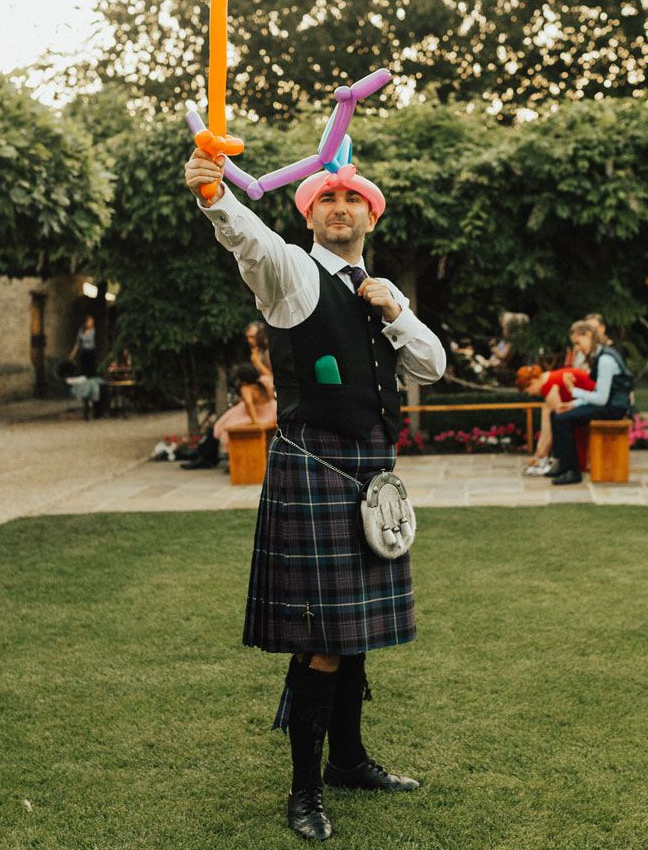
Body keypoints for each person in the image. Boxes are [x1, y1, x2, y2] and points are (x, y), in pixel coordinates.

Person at [184, 149, 446, 842]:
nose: (340, 207)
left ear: (370, 214)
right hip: (315, 465)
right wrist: (214, 195)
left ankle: (350, 761)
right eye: (326, 200)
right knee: (323, 640)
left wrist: (393, 309)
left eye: (352, 199)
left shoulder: (381, 288)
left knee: (354, 636)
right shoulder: (294, 274)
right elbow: (250, 240)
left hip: (371, 470)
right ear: (309, 215)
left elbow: (431, 364)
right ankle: (304, 791)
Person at [548, 320, 632, 486]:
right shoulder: (601, 356)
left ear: (588, 335)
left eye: (578, 343)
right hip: (608, 404)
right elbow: (597, 394)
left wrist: (572, 391)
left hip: (614, 408)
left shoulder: (606, 359)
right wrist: (573, 404)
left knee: (563, 420)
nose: (577, 348)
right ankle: (563, 465)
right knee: (556, 413)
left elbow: (601, 398)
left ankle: (573, 471)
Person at [181, 362, 278, 471]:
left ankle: (205, 456)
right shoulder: (265, 381)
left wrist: (255, 422)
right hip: (270, 412)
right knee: (219, 425)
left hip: (255, 415)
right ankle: (204, 454)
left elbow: (249, 404)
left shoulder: (246, 388)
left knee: (221, 426)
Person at [515, 364, 595, 476]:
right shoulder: (547, 378)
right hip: (587, 395)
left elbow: (556, 419)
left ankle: (551, 460)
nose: (530, 394)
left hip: (591, 397)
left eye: (528, 390)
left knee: (558, 420)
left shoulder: (547, 386)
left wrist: (541, 451)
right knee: (548, 410)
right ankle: (542, 455)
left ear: (532, 382)